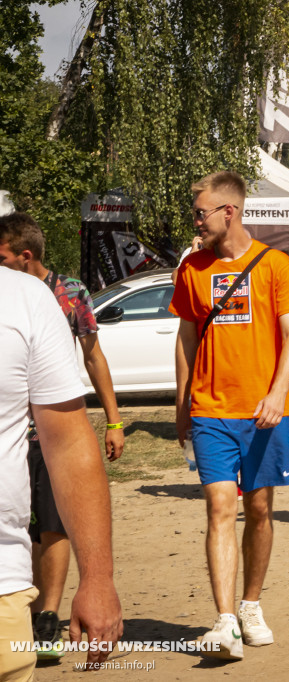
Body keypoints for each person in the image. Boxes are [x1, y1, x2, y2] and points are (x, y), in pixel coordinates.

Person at [171, 171, 289, 661]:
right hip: (211, 409)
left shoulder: (276, 264)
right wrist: (183, 400)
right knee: (219, 507)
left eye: (200, 212)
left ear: (228, 212)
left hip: (264, 412)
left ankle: (251, 605)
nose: (195, 221)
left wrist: (277, 394)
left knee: (261, 510)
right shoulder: (192, 268)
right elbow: (186, 337)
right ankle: (225, 620)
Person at [0, 212, 125, 656]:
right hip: (18, 431)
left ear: (25, 255)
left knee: (53, 525)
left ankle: (47, 614)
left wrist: (113, 420)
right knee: (29, 529)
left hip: (50, 428)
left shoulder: (69, 293)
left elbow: (93, 355)